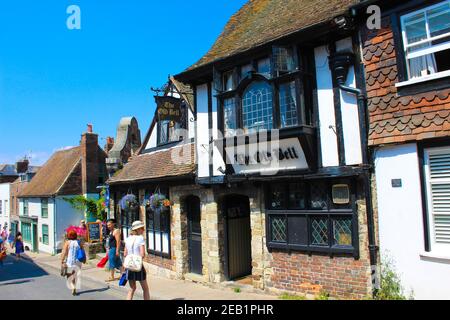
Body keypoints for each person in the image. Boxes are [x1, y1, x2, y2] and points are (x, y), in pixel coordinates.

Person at [124, 221, 150, 300]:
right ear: (138, 229)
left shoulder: (127, 239)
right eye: (142, 228)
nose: (143, 230)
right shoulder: (140, 238)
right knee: (145, 289)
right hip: (138, 266)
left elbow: (125, 253)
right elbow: (142, 254)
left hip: (129, 265)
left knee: (132, 288)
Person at [61, 230, 83, 296]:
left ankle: (72, 287)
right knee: (75, 275)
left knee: (69, 275)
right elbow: (82, 252)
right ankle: (75, 289)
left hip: (70, 261)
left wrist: (62, 260)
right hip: (78, 262)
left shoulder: (67, 243)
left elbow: (64, 252)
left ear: (69, 236)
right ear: (75, 235)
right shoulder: (79, 242)